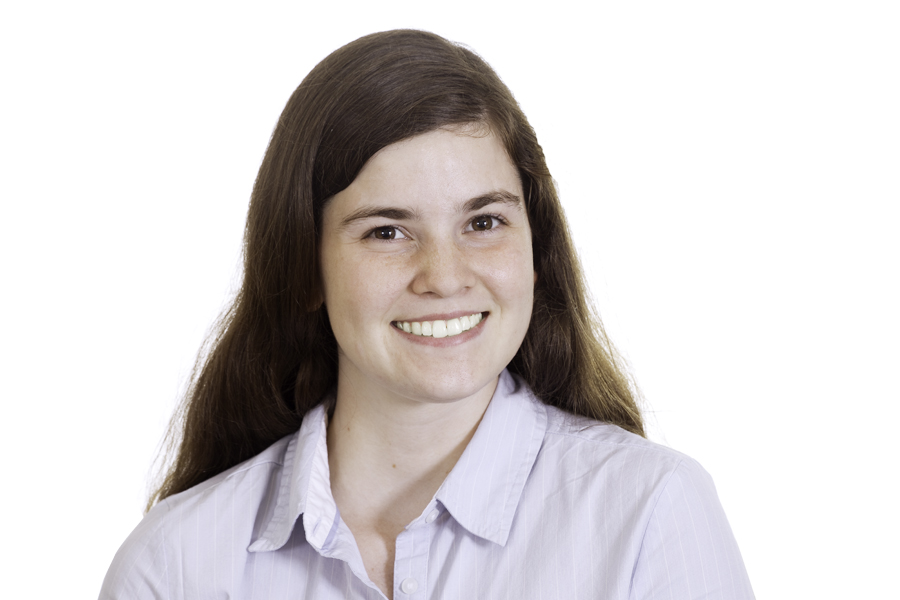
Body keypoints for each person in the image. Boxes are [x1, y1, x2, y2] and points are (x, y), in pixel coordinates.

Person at [100, 29, 754, 600]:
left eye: (484, 221)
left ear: (535, 253)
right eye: (387, 232)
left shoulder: (650, 516)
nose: (444, 277)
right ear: (304, 268)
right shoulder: (174, 566)